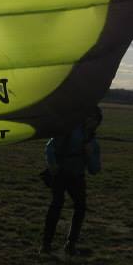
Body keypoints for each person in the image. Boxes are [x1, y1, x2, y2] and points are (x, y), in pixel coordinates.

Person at [41, 106, 102, 256]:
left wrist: (89, 155)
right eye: (89, 116)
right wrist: (53, 165)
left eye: (95, 119)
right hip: (60, 174)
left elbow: (94, 170)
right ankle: (46, 245)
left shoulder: (93, 143)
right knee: (56, 205)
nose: (91, 121)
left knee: (80, 208)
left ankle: (71, 244)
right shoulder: (70, 131)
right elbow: (50, 147)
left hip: (77, 177)